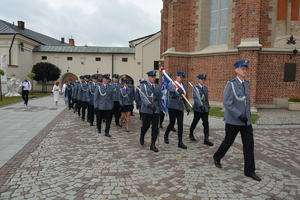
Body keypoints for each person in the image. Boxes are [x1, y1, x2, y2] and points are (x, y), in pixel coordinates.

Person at [213, 60, 261, 182]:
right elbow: (227, 103)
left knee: (249, 146)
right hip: (234, 121)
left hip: (246, 122)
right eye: (242, 68)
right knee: (228, 142)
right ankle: (217, 157)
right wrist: (239, 115)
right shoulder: (231, 84)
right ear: (236, 70)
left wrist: (247, 117)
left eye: (246, 69)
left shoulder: (247, 84)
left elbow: (246, 103)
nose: (244, 70)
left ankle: (249, 171)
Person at [164, 72, 190, 149]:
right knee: (172, 123)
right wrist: (177, 89)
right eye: (180, 77)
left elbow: (186, 98)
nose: (181, 79)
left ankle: (180, 142)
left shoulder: (183, 87)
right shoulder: (172, 84)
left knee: (180, 125)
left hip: (180, 108)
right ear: (177, 76)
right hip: (172, 107)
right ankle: (166, 135)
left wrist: (187, 107)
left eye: (183, 77)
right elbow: (171, 89)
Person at [138, 71, 161, 152]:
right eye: (152, 77)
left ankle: (153, 145)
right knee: (146, 126)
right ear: (148, 77)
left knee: (155, 128)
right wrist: (149, 105)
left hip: (156, 109)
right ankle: (142, 135)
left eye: (154, 77)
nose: (153, 78)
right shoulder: (143, 86)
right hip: (147, 109)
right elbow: (143, 97)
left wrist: (161, 108)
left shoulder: (158, 87)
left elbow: (160, 97)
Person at [189, 74, 213, 146]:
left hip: (205, 109)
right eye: (202, 79)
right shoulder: (195, 88)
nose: (203, 81)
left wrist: (208, 106)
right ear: (199, 80)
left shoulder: (205, 88)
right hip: (198, 109)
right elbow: (196, 98)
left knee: (206, 124)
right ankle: (191, 133)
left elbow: (206, 98)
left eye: (204, 79)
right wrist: (200, 105)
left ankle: (206, 139)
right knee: (195, 122)